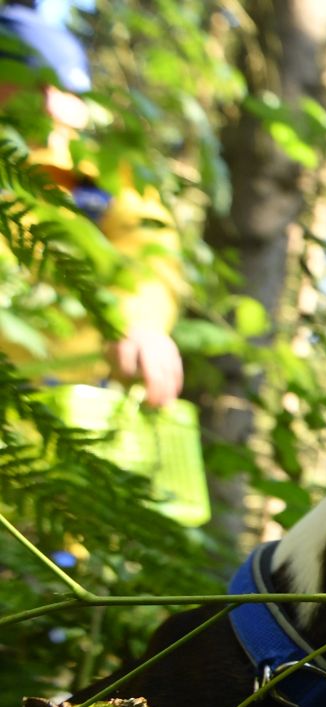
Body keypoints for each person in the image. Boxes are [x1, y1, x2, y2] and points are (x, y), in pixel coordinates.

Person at [0, 1, 184, 408]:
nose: (60, 105)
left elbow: (153, 261)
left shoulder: (107, 183)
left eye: (71, 91)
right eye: (43, 86)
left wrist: (142, 324)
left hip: (75, 414)